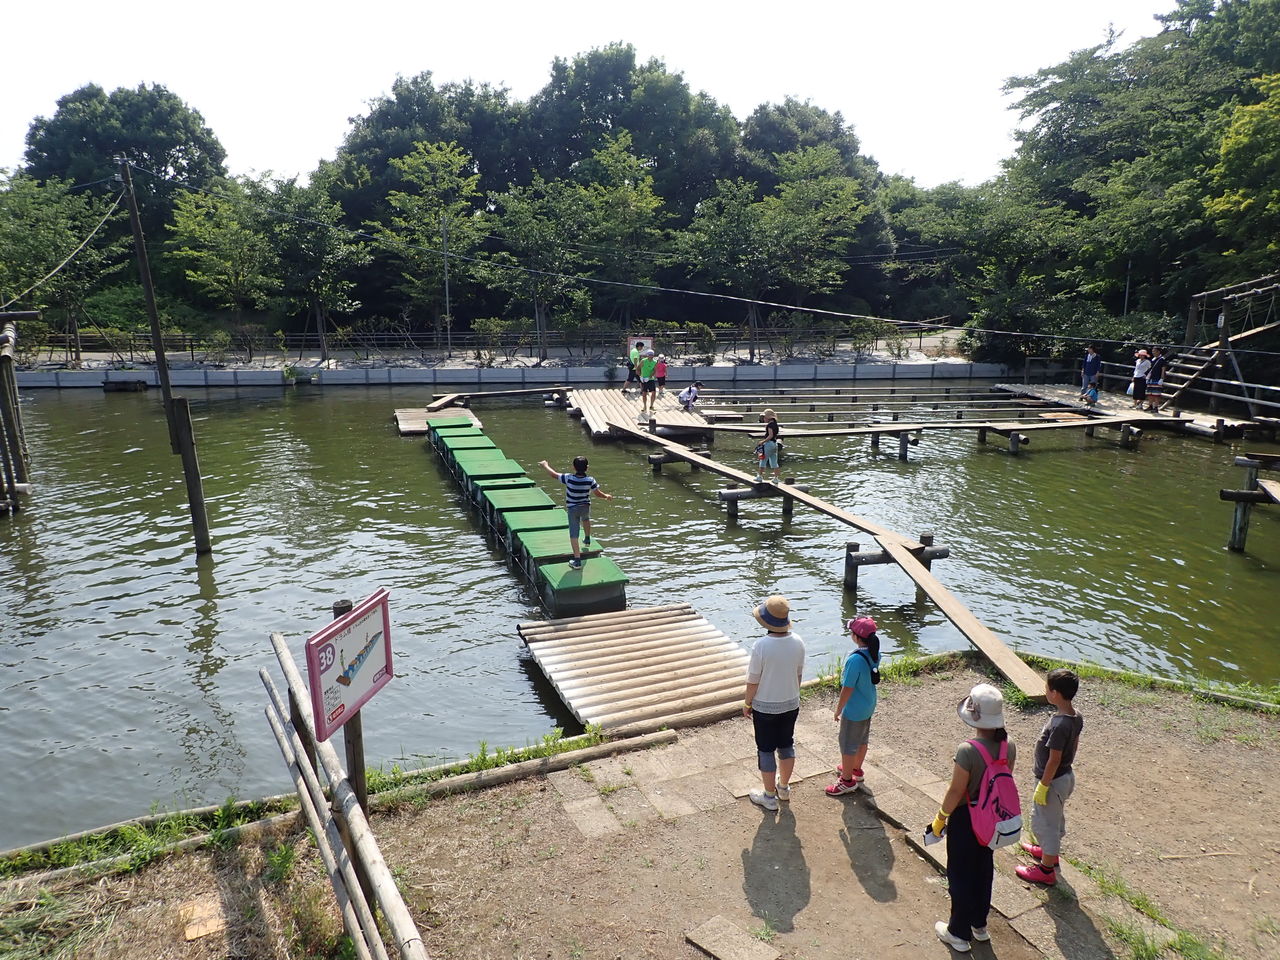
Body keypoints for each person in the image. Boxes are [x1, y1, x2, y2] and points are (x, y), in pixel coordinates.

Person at [929, 683, 1016, 953]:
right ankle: (980, 925)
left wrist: (940, 819)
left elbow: (956, 790)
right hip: (993, 818)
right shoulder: (1008, 746)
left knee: (960, 873)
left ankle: (958, 932)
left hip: (967, 818)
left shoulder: (968, 750)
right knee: (982, 869)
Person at [1016, 669, 1083, 887]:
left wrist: (1043, 785)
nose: (1045, 690)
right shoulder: (1075, 716)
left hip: (1052, 781)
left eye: (1046, 687)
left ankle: (1046, 869)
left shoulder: (1059, 725)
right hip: (1065, 776)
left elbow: (1054, 759)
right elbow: (1073, 746)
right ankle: (1047, 851)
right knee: (1054, 818)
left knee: (1046, 823)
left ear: (1054, 693)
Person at [742, 595, 805, 812]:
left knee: (766, 749)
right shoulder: (798, 642)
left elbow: (753, 680)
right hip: (791, 703)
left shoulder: (761, 645)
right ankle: (784, 788)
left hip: (765, 706)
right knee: (787, 744)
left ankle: (769, 796)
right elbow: (799, 675)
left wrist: (747, 703)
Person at [825, 616, 880, 797]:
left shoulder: (854, 660)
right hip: (868, 703)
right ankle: (856, 768)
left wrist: (839, 708)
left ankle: (846, 780)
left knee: (848, 744)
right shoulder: (874, 653)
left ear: (856, 637)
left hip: (854, 709)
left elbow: (847, 688)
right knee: (862, 740)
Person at [537, 456, 613, 569]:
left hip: (572, 509)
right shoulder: (590, 480)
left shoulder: (569, 478)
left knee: (574, 534)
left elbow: (554, 474)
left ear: (573, 467)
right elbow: (597, 493)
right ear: (587, 468)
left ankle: (577, 561)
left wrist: (545, 465)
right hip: (585, 507)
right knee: (586, 519)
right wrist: (606, 496)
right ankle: (587, 538)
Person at [754, 409, 781, 484]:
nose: (764, 419)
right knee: (774, 462)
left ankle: (759, 476)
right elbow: (774, 435)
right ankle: (776, 478)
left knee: (762, 460)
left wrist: (762, 442)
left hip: (769, 444)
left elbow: (770, 435)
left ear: (768, 417)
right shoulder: (775, 424)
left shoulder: (769, 425)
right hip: (774, 444)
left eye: (764, 417)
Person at [638, 349, 659, 417]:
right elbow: (638, 369)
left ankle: (651, 406)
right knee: (644, 393)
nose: (651, 356)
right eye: (650, 355)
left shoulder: (655, 361)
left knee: (653, 392)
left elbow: (654, 370)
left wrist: (650, 376)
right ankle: (644, 406)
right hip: (643, 378)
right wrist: (640, 376)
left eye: (652, 355)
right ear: (647, 355)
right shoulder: (643, 361)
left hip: (650, 379)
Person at [1145, 346, 1166, 413]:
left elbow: (1163, 369)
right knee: (1150, 393)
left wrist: (1162, 378)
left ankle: (1156, 407)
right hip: (1151, 377)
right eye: (1152, 351)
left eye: (1154, 351)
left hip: (1157, 378)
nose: (1153, 352)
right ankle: (1150, 405)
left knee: (1156, 394)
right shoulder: (1153, 359)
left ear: (1158, 351)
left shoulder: (1162, 359)